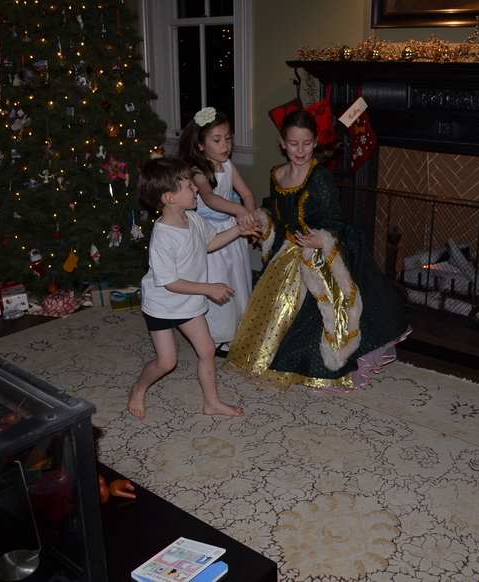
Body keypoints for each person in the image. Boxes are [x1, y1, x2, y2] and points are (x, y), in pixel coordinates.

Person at [223, 109, 411, 391]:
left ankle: (310, 365)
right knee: (274, 310)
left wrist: (322, 240)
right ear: (282, 143)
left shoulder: (319, 178)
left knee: (314, 314)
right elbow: (275, 209)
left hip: (316, 256)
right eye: (294, 143)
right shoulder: (277, 173)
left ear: (315, 143)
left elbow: (335, 220)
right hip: (286, 253)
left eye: (307, 143)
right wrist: (264, 221)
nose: (300, 150)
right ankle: (266, 358)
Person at [129, 157, 260, 420]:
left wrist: (238, 231)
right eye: (189, 186)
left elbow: (209, 243)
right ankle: (138, 388)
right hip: (162, 305)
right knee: (167, 362)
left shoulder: (193, 218)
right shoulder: (164, 236)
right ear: (170, 197)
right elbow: (170, 282)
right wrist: (208, 288)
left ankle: (212, 402)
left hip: (189, 303)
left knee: (207, 349)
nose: (196, 188)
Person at [177, 107, 257, 357]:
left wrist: (249, 218)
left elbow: (247, 194)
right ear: (200, 144)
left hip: (231, 231)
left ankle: (236, 329)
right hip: (210, 234)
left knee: (236, 279)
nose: (225, 145)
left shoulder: (228, 165)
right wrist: (237, 209)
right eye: (217, 140)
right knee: (218, 280)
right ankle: (216, 334)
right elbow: (210, 198)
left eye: (228, 138)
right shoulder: (198, 171)